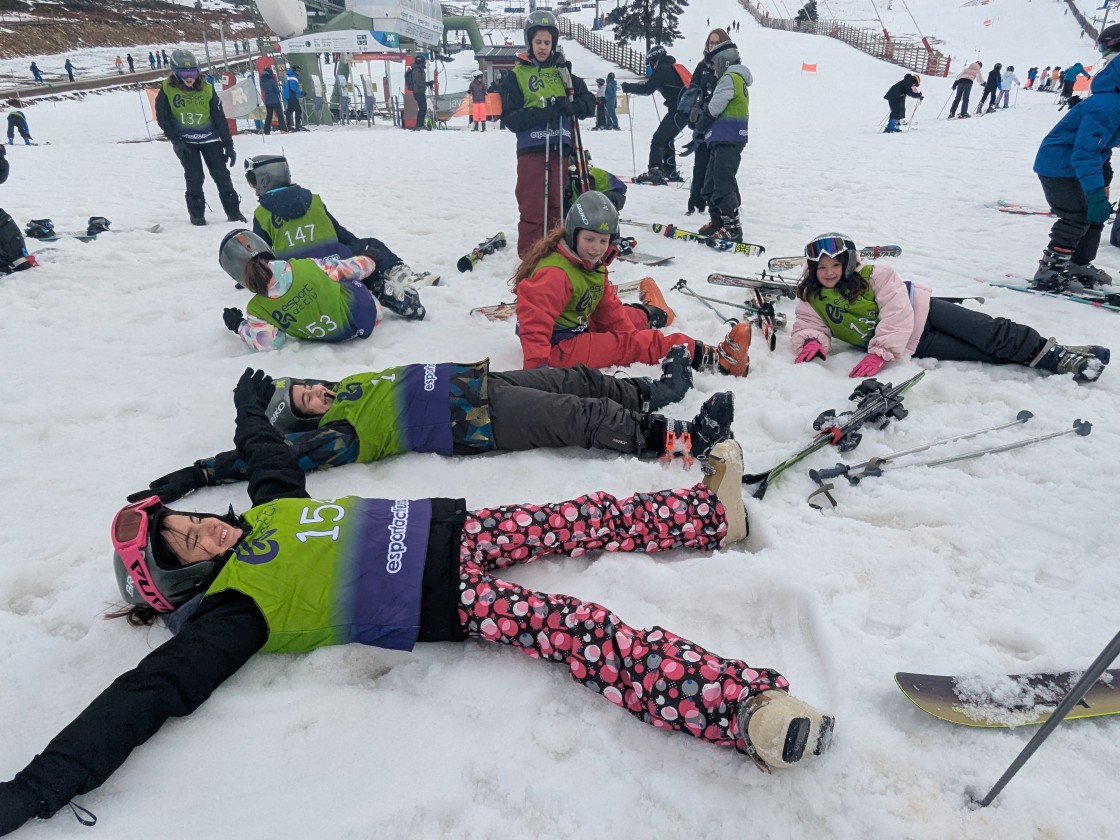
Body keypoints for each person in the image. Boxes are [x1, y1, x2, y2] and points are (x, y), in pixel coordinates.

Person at [0, 369, 834, 836]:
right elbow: (148, 694)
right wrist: (36, 788)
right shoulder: (231, 615)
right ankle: (743, 710)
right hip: (445, 599)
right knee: (583, 632)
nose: (204, 533)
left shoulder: (269, 510)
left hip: (457, 529)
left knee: (583, 518)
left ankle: (706, 515)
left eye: (191, 523)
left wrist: (247, 408)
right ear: (179, 582)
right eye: (185, 544)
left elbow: (261, 451)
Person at [128, 350, 724, 503]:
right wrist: (202, 470)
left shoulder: (347, 386)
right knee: (580, 419)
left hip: (471, 382)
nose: (314, 394)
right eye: (305, 403)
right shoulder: (334, 438)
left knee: (579, 381)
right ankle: (680, 441)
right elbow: (269, 462)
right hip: (471, 421)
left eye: (304, 387)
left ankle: (658, 390)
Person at [512, 192, 752, 394]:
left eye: (603, 240)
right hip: (558, 346)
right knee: (635, 344)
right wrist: (536, 372)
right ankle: (718, 359)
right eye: (589, 239)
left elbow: (607, 309)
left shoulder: (589, 263)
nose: (596, 248)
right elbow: (534, 323)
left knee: (628, 318)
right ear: (573, 233)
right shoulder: (556, 273)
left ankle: (657, 312)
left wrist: (631, 333)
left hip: (577, 324)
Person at [790, 233, 1109, 383]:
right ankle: (1052, 353)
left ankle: (1060, 357)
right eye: (821, 267)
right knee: (983, 354)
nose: (828, 272)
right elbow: (809, 323)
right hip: (917, 343)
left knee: (990, 332)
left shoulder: (877, 275)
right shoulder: (812, 295)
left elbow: (897, 313)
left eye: (834, 265)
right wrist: (813, 342)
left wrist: (881, 351)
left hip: (926, 312)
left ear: (847, 264)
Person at [243, 154, 438, 287]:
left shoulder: (262, 214)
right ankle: (404, 277)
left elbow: (262, 256)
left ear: (264, 179)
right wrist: (362, 249)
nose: (252, 186)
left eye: (252, 181)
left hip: (298, 274)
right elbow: (339, 233)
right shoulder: (313, 200)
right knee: (372, 244)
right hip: (337, 265)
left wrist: (249, 277)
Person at [217, 227, 425, 352]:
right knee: (342, 275)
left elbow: (272, 341)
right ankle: (379, 288)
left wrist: (240, 326)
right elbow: (349, 269)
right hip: (368, 315)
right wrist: (369, 259)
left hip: (329, 337)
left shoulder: (257, 309)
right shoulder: (303, 265)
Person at [499, 9, 595, 257]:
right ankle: (530, 257)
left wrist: (571, 106)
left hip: (559, 149)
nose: (542, 47)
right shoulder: (517, 75)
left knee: (556, 204)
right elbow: (510, 118)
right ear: (529, 42)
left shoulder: (562, 73)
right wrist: (544, 113)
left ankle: (554, 254)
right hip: (532, 149)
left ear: (554, 44)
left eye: (547, 42)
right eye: (538, 42)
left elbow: (589, 103)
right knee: (532, 205)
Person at [1035, 25, 1120, 287]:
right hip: (1058, 165)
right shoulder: (1106, 105)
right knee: (1078, 215)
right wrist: (1094, 193)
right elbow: (1085, 152)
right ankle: (1051, 269)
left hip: (1081, 162)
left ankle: (1077, 263)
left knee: (1095, 215)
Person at [155, 49, 245, 226]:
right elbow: (163, 117)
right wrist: (175, 140)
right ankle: (197, 215)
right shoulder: (167, 90)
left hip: (210, 140)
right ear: (175, 72)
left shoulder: (207, 90)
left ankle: (233, 212)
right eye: (184, 73)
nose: (190, 77)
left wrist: (228, 145)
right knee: (194, 177)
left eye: (193, 72)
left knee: (222, 176)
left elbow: (219, 118)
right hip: (186, 142)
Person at [692, 42, 751, 243]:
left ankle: (732, 228)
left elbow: (715, 107)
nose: (714, 71)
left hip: (729, 137)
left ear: (723, 62)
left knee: (722, 182)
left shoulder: (730, 78)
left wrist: (700, 125)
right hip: (722, 138)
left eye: (715, 66)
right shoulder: (735, 79)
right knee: (710, 183)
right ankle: (718, 221)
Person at [622, 46, 690, 184]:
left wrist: (629, 88)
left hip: (676, 112)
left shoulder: (662, 69)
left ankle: (655, 170)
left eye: (650, 63)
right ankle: (670, 171)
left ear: (655, 59)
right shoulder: (673, 67)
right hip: (686, 112)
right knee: (667, 139)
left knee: (658, 139)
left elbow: (647, 89)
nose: (650, 66)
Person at [682, 28, 732, 217]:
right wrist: (690, 109)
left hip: (721, 123)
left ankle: (721, 205)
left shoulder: (729, 67)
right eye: (711, 42)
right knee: (700, 162)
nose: (713, 46)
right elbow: (693, 88)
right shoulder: (702, 66)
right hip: (702, 121)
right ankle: (695, 204)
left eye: (717, 42)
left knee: (719, 167)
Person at [258, 66, 287, 134]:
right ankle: (283, 129)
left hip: (268, 101)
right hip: (275, 100)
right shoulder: (271, 80)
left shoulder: (262, 81)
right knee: (280, 115)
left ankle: (266, 130)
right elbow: (276, 90)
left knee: (269, 116)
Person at [408, 54, 434, 130]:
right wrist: (427, 83)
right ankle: (419, 125)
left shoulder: (419, 69)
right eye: (424, 61)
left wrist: (428, 83)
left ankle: (420, 125)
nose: (425, 63)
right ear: (421, 62)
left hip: (420, 91)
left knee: (423, 108)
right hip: (418, 92)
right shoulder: (417, 70)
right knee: (423, 109)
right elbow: (418, 82)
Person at [284, 66, 304, 131]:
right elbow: (293, 87)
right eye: (299, 71)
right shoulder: (293, 77)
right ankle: (298, 125)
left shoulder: (290, 75)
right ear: (296, 71)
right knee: (298, 110)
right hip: (292, 95)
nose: (299, 72)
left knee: (290, 110)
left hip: (289, 95)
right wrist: (300, 92)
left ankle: (287, 125)